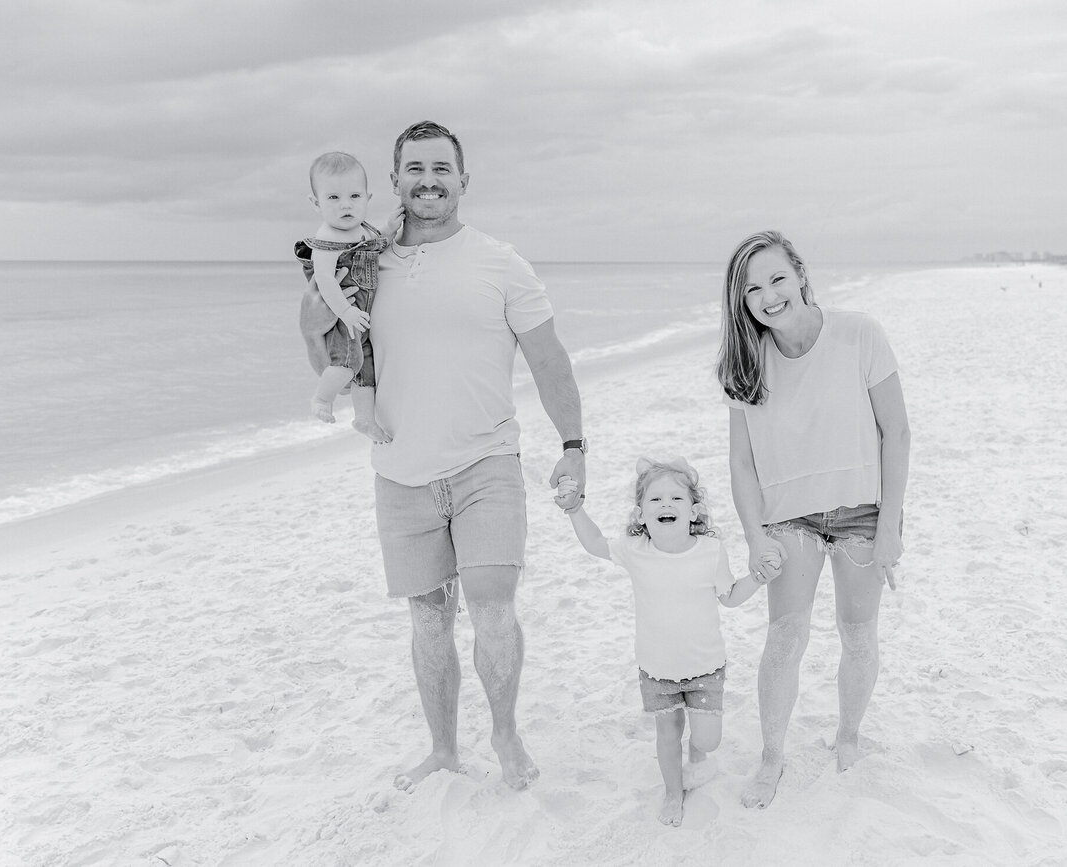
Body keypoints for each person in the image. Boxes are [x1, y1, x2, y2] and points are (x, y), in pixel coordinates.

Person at [368, 121, 585, 792]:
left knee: (492, 605)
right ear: (395, 178)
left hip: (485, 463)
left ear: (464, 180)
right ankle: (442, 748)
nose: (427, 179)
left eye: (441, 167)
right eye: (414, 168)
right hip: (399, 471)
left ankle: (505, 732)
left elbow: (548, 359)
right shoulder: (366, 264)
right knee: (428, 617)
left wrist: (574, 445)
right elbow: (325, 335)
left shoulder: (501, 261)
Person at [716, 230, 910, 807]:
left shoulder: (859, 334)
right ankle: (771, 757)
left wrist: (892, 526)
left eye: (777, 278)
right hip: (789, 518)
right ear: (741, 301)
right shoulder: (745, 361)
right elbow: (741, 460)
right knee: (785, 637)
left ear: (800, 273)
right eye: (752, 289)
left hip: (862, 514)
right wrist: (754, 537)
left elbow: (895, 431)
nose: (768, 295)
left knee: (858, 635)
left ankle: (848, 736)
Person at [554, 458, 777, 827]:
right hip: (657, 670)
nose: (665, 505)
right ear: (640, 514)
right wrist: (575, 509)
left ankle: (698, 756)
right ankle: (673, 793)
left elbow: (731, 596)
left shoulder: (710, 551)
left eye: (676, 497)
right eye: (655, 500)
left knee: (708, 741)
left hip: (706, 667)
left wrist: (758, 578)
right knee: (667, 736)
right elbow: (595, 543)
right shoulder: (635, 550)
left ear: (694, 511)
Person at [295, 151, 404, 442]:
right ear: (316, 203)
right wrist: (345, 312)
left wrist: (389, 231)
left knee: (365, 369)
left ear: (368, 198)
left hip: (361, 318)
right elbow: (327, 281)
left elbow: (375, 246)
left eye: (354, 196)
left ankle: (365, 419)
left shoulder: (363, 231)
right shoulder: (327, 238)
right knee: (347, 363)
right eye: (333, 198)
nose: (346, 205)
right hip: (346, 317)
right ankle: (322, 398)